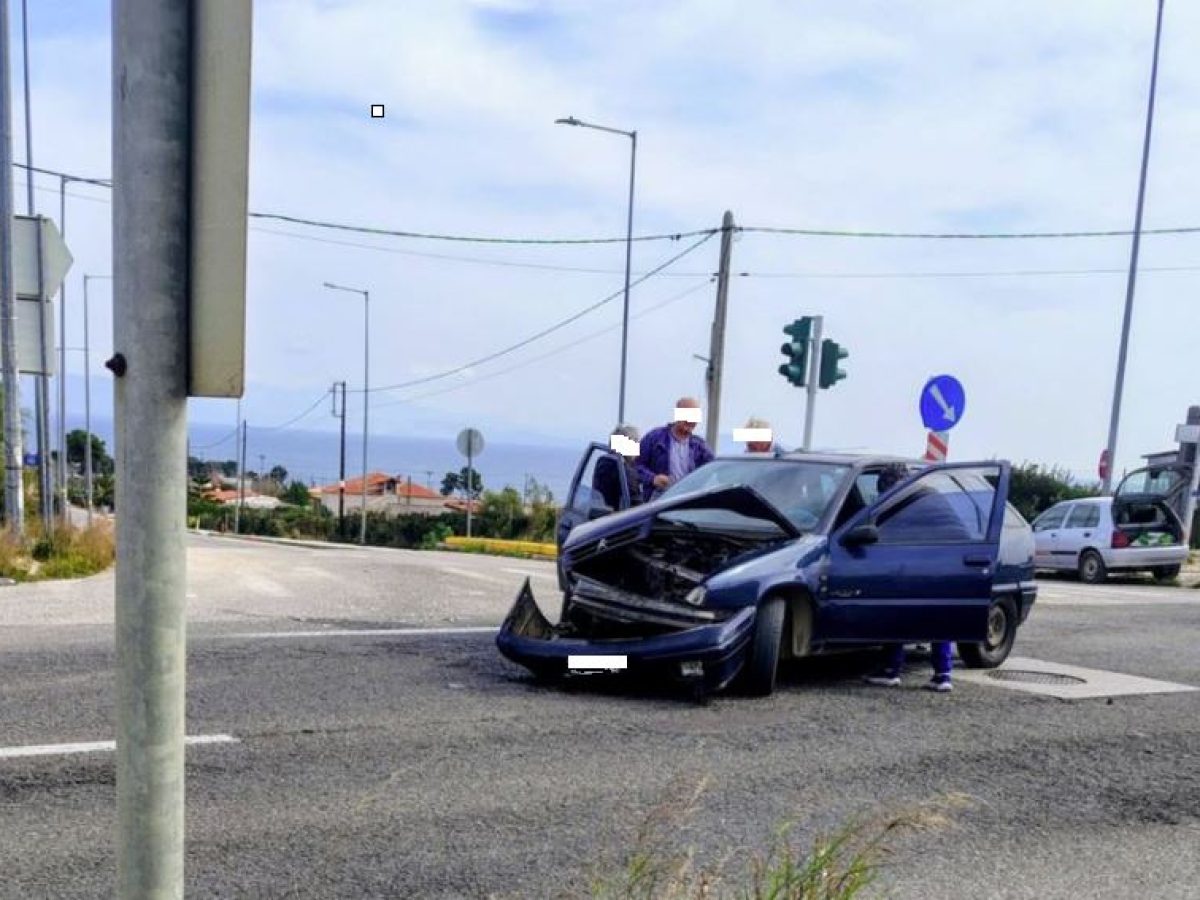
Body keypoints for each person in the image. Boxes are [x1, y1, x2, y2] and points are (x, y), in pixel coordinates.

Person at [863, 463, 954, 693]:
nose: (882, 495)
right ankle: (943, 675)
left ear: (890, 485)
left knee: (898, 612)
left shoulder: (899, 502)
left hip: (921, 564)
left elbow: (884, 536)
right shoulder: (931, 495)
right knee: (941, 617)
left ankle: (890, 670)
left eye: (882, 489)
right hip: (952, 562)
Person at [637, 397, 714, 501]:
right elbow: (636, 466)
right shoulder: (654, 438)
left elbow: (713, 469)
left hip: (686, 500)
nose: (691, 420)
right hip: (658, 499)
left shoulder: (700, 446)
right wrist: (653, 478)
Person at [593, 423, 646, 510]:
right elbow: (638, 508)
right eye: (637, 442)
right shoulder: (625, 472)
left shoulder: (603, 462)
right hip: (619, 519)